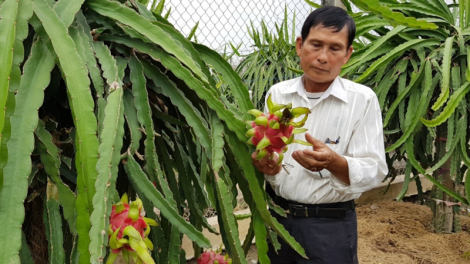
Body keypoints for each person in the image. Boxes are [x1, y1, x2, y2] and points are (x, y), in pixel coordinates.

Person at [251, 6, 388, 264]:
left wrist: (335, 163)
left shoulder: (363, 100)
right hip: (277, 220)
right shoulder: (277, 94)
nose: (323, 57)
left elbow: (375, 168)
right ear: (300, 45)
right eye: (315, 44)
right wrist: (267, 167)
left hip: (331, 227)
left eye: (335, 48)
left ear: (348, 54)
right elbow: (270, 154)